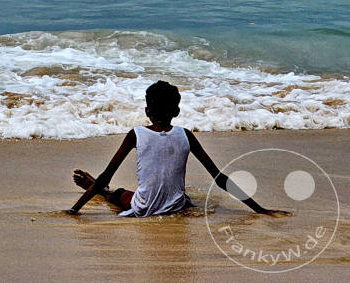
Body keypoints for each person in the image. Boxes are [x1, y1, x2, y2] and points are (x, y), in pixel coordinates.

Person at [66, 80, 288, 217]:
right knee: (185, 197)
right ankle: (100, 190)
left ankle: (100, 193)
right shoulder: (185, 135)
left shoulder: (136, 134)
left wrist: (74, 210)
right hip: (176, 207)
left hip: (144, 209)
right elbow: (219, 178)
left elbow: (106, 175)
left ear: (146, 111)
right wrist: (260, 209)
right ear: (177, 111)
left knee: (118, 194)